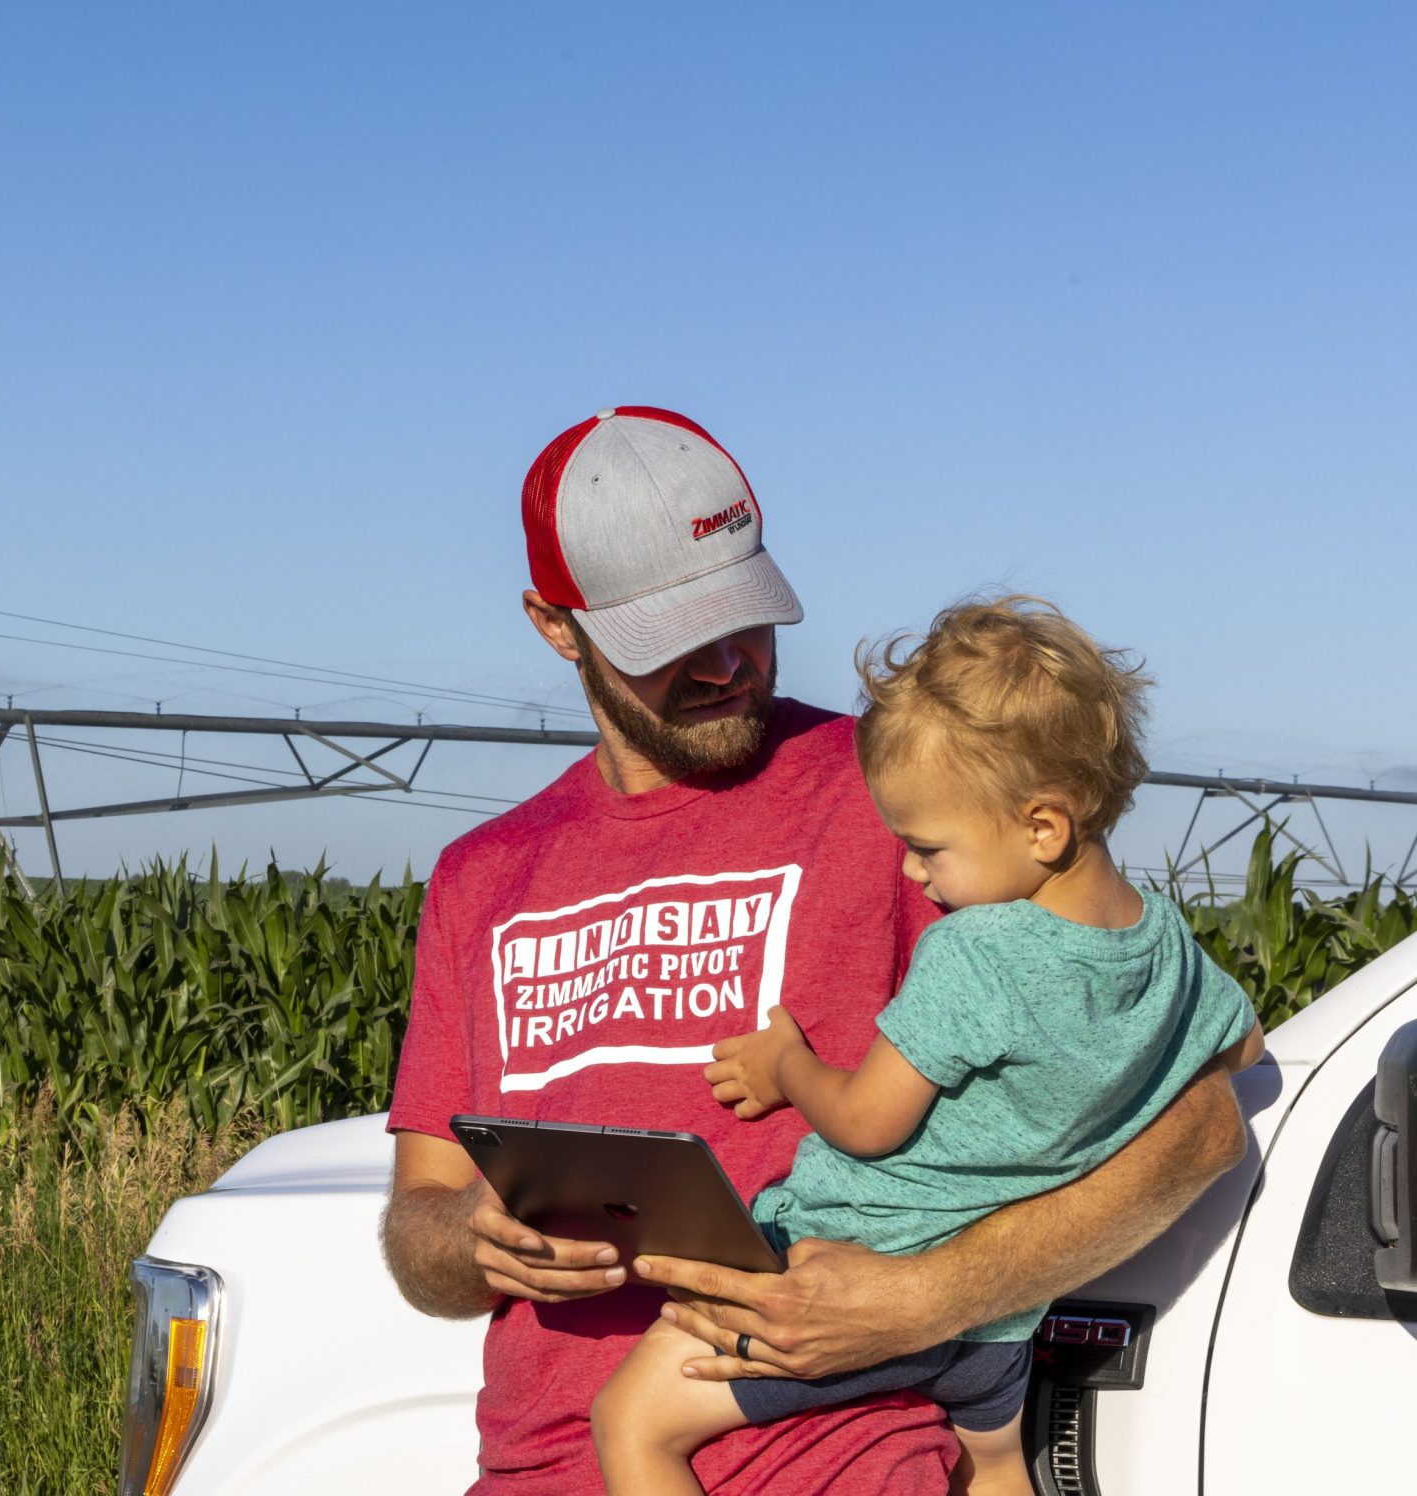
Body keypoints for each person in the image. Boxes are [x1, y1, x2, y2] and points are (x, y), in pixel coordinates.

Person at [377, 406, 1250, 1495]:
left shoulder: (912, 794)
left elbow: (1202, 1122)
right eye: (668, 638)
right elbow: (420, 1222)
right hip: (537, 1465)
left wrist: (925, 1297)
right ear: (557, 625)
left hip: (837, 1452)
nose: (724, 662)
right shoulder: (482, 876)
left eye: (744, 615)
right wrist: (475, 1237)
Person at [586, 597, 1264, 1496]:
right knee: (994, 1469)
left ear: (1043, 827)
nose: (913, 872)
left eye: (927, 847)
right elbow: (1245, 1046)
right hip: (998, 1334)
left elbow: (866, 1124)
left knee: (627, 1423)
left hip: (852, 1270)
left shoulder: (978, 953)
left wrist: (786, 1066)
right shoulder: (1166, 943)